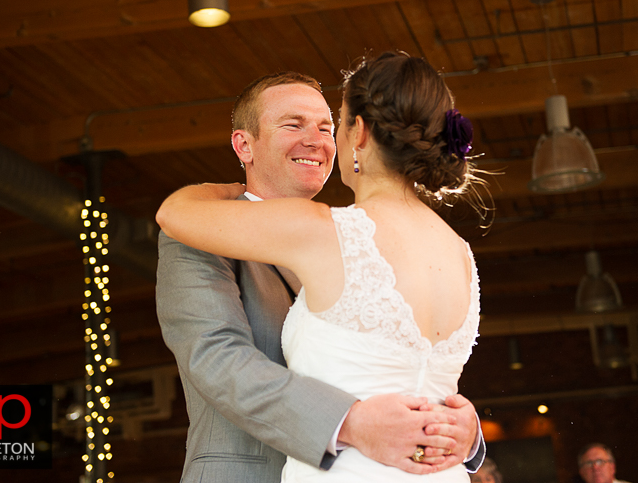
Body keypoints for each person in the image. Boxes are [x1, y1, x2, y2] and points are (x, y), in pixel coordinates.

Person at [156, 60, 485, 482]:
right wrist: (351, 423)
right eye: (293, 125)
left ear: (356, 134)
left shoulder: (337, 233)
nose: (317, 140)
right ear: (244, 145)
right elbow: (216, 359)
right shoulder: (203, 232)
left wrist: (466, 430)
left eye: (329, 127)